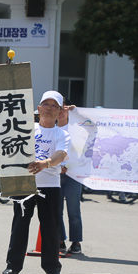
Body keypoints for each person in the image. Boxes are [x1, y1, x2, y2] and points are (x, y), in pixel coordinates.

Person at [2, 90, 70, 274]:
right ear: (38, 108)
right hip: (24, 183)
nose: (49, 108)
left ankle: (52, 268)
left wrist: (45, 163)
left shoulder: (61, 133)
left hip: (50, 185)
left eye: (54, 106)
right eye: (46, 105)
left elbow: (61, 155)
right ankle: (13, 265)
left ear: (59, 112)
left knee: (51, 227)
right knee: (20, 225)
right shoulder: (25, 129)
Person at [57, 101, 83, 255]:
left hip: (73, 174)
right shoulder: (51, 130)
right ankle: (60, 241)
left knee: (74, 210)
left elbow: (94, 127)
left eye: (63, 109)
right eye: (58, 109)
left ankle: (76, 242)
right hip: (55, 174)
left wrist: (77, 111)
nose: (60, 112)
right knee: (56, 210)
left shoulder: (76, 128)